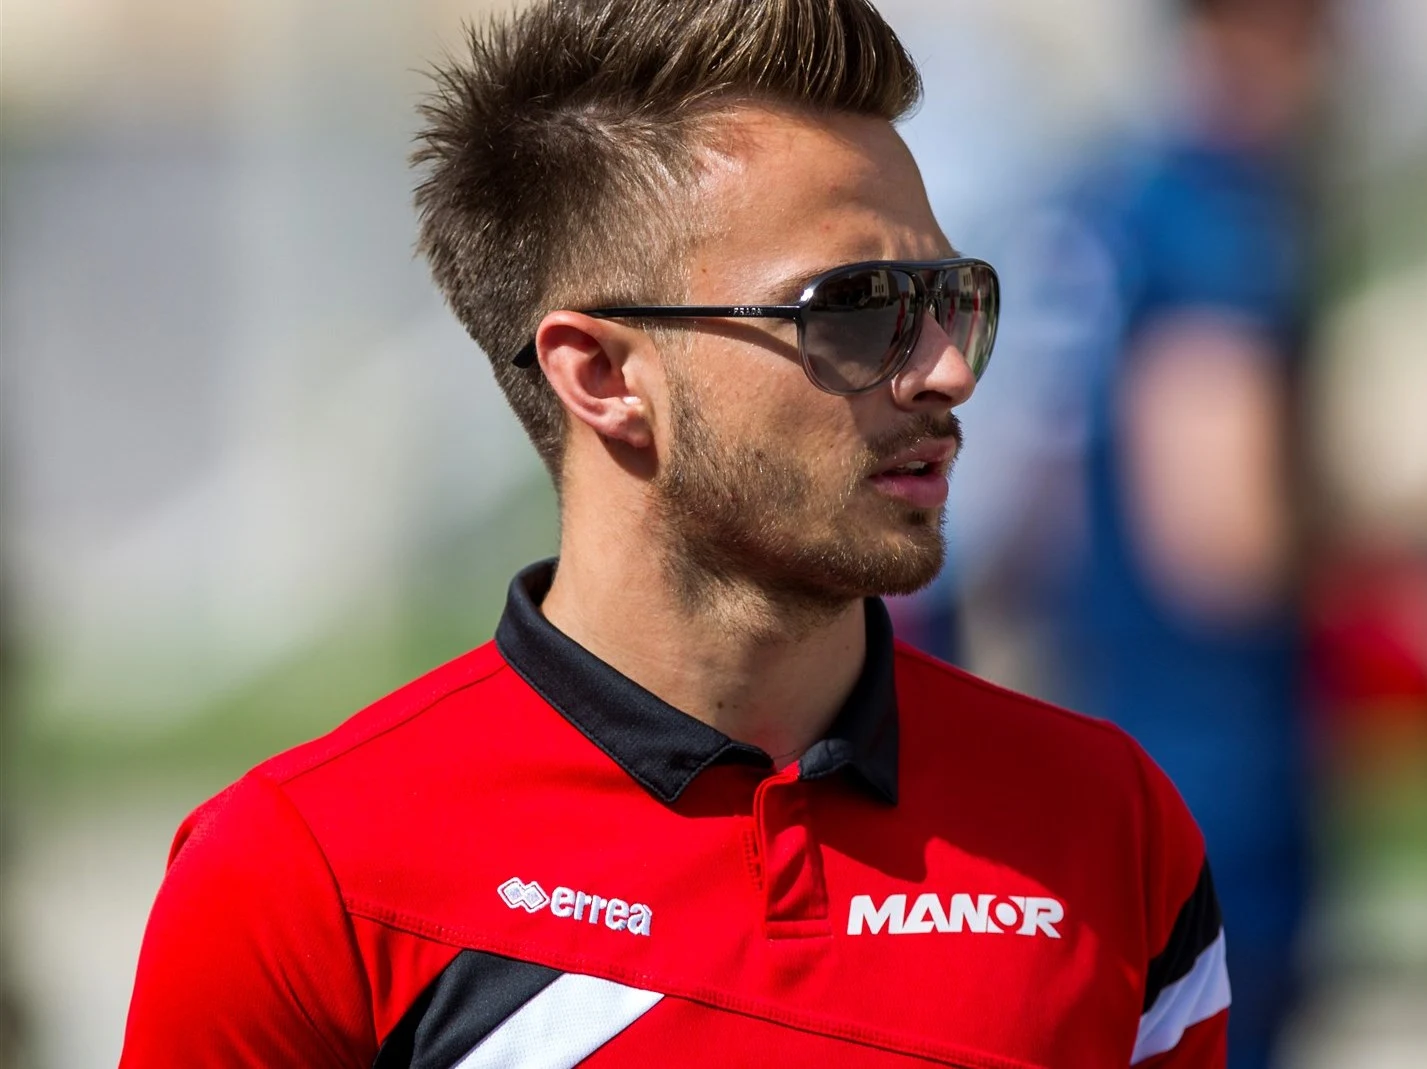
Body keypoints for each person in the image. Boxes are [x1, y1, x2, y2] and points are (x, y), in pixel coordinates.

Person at [117, 1, 1229, 1065]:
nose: (942, 368)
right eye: (854, 309)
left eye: (950, 298)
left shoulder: (1108, 827)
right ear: (600, 374)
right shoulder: (301, 876)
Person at [1006, 0, 1326, 1064]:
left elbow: (1033, 516)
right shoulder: (1216, 221)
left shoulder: (1105, 198)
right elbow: (1224, 536)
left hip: (1110, 723)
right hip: (1219, 757)